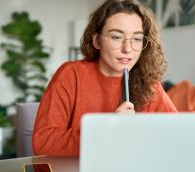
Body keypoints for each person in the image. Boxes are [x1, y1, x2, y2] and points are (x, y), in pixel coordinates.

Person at [32, 0, 177, 156]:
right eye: (116, 37)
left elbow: (178, 135)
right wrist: (107, 129)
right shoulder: (71, 74)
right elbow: (43, 141)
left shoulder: (148, 83)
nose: (127, 49)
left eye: (136, 39)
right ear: (97, 41)